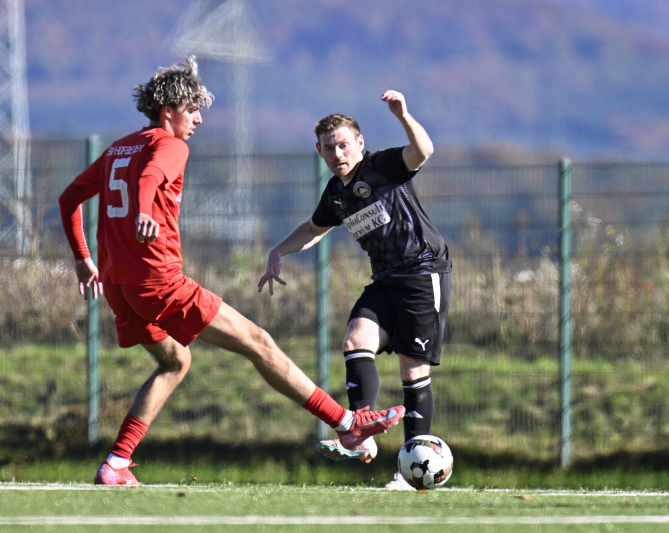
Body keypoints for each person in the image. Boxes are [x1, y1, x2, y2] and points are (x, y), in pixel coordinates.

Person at [58, 57, 405, 486]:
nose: (199, 120)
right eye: (192, 109)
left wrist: (82, 257)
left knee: (175, 362)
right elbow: (150, 176)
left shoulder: (117, 149)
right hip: (159, 282)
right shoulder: (171, 146)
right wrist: (145, 210)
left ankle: (116, 462)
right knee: (258, 342)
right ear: (168, 111)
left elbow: (69, 198)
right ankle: (346, 424)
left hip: (118, 286)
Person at [258, 90, 450, 491]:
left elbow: (424, 150)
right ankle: (359, 430)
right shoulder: (336, 192)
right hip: (385, 279)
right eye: (329, 148)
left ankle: (409, 473)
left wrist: (403, 115)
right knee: (355, 340)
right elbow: (314, 229)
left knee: (412, 371)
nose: (337, 153)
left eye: (344, 144)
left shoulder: (382, 166)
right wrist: (278, 251)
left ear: (360, 143)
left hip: (422, 272)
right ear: (319, 151)